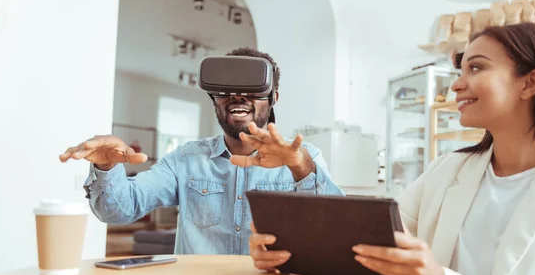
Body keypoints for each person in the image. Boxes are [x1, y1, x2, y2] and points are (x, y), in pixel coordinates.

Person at [250, 23, 535, 275]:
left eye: (476, 67)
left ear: (530, 82)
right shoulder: (450, 169)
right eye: (460, 70)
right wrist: (292, 252)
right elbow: (371, 245)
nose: (457, 84)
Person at [60, 47, 344, 255]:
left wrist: (300, 167)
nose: (238, 96)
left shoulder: (304, 158)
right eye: (227, 89)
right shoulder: (186, 160)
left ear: (273, 99)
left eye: (251, 88)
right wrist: (106, 168)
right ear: (214, 99)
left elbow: (336, 229)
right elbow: (118, 211)